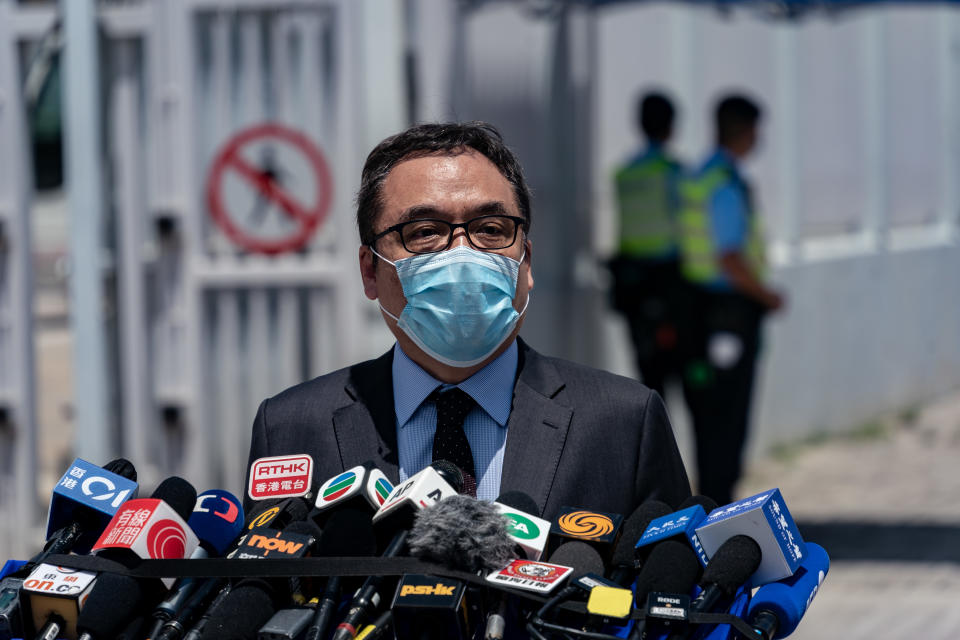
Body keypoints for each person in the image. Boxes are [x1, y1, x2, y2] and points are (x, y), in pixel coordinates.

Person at [244, 122, 690, 519]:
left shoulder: (623, 422)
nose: (463, 254)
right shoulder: (291, 427)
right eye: (423, 232)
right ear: (369, 271)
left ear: (526, 264)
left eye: (491, 229)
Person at [678, 95, 785, 506]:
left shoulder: (701, 175)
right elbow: (730, 257)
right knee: (727, 416)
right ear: (746, 130)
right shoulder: (724, 183)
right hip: (728, 312)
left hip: (703, 308)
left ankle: (711, 499)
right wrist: (768, 296)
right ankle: (719, 506)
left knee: (709, 416)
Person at [610, 92, 685, 398]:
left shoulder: (625, 174)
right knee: (675, 369)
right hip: (668, 282)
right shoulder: (673, 172)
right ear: (671, 127)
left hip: (632, 280)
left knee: (647, 370)